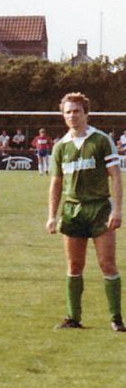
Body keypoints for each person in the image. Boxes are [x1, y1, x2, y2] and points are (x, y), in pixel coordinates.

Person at [46, 93, 123, 331]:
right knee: (74, 265)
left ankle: (116, 319)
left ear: (86, 113)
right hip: (72, 211)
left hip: (99, 209)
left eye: (76, 111)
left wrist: (117, 210)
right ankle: (73, 317)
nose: (72, 116)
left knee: (107, 263)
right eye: (67, 112)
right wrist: (52, 215)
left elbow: (116, 176)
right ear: (63, 115)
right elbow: (56, 183)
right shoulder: (61, 146)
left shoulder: (100, 140)